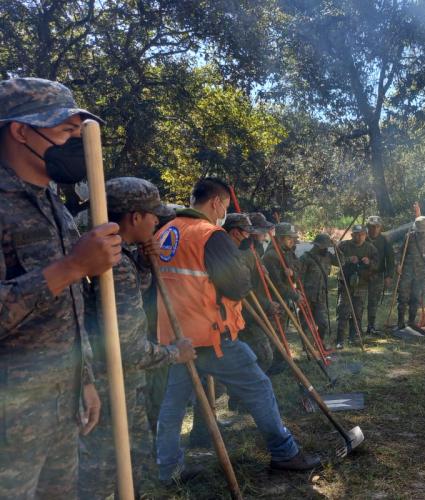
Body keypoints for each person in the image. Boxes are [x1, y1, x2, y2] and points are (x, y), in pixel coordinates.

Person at [155, 178, 319, 484]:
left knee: (173, 405)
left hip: (178, 339)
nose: (224, 213)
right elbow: (238, 286)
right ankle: (284, 453)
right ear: (216, 202)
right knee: (259, 387)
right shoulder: (210, 235)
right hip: (212, 337)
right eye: (225, 207)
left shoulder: (165, 232)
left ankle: (167, 469)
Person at [0, 77, 118, 497]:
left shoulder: (54, 203)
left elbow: (68, 307)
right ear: (21, 131)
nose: (76, 144)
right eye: (67, 131)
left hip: (60, 403)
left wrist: (83, 380)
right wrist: (73, 266)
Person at [79, 177, 197, 498]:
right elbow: (128, 348)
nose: (157, 221)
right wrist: (174, 353)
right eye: (153, 215)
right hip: (112, 387)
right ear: (135, 217)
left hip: (118, 383)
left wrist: (144, 264)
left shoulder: (119, 257)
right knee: (110, 473)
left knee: (133, 464)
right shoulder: (115, 265)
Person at [224, 213, 278, 378]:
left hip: (255, 309)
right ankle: (249, 387)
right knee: (263, 356)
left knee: (263, 352)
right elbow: (244, 290)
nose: (265, 234)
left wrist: (260, 267)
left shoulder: (254, 249)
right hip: (245, 312)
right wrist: (267, 304)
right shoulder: (241, 253)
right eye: (262, 231)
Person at [335, 225, 378, 349]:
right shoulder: (343, 246)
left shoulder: (370, 248)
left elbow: (377, 264)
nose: (359, 237)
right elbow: (334, 260)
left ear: (365, 235)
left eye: (362, 234)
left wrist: (369, 262)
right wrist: (348, 259)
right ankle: (340, 339)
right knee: (343, 311)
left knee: (358, 312)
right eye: (356, 234)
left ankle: (353, 337)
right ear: (352, 235)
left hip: (362, 283)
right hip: (345, 283)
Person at [396, 216, 425, 329]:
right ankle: (400, 323)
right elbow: (400, 252)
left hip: (422, 274)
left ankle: (411, 322)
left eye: (422, 231)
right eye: (419, 231)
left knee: (415, 298)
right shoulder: (409, 237)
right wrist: (398, 264)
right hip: (407, 272)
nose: (421, 233)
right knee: (402, 297)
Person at [299, 234, 336, 348]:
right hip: (307, 296)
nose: (326, 249)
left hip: (321, 296)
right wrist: (300, 294)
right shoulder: (306, 258)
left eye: (327, 247)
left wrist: (337, 248)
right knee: (306, 324)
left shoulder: (328, 256)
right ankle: (307, 347)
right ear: (317, 246)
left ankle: (319, 343)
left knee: (322, 323)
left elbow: (341, 261)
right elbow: (299, 278)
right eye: (324, 246)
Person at [366, 215, 395, 334]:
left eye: (377, 227)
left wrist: (389, 276)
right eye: (372, 227)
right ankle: (355, 327)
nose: (374, 229)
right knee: (358, 302)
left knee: (373, 302)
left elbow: (390, 259)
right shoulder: (362, 237)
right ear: (368, 227)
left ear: (380, 228)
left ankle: (371, 326)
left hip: (377, 275)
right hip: (361, 275)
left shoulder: (384, 240)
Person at [263, 222, 302, 308]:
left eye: (293, 238)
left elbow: (299, 270)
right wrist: (295, 295)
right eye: (289, 238)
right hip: (276, 301)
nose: (292, 241)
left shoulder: (288, 252)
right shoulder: (271, 256)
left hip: (287, 298)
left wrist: (292, 273)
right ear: (280, 239)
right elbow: (276, 285)